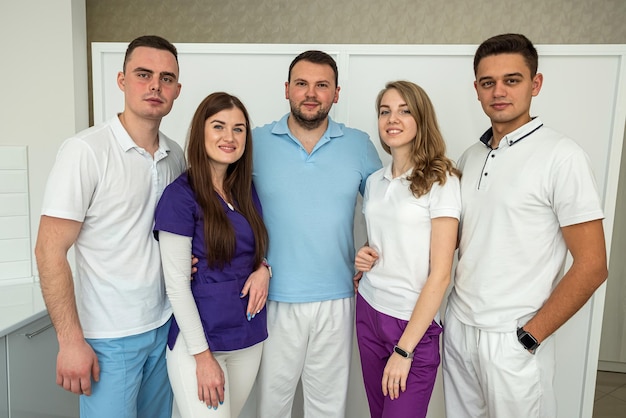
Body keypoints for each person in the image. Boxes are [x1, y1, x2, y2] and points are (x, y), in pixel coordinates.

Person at [442, 33, 608, 417]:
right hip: (460, 327)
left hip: (513, 338)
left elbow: (593, 264)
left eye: (511, 80)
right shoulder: (471, 155)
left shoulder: (562, 156)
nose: (498, 91)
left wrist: (530, 336)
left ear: (535, 84)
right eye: (488, 83)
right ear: (477, 90)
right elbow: (450, 241)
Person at [34, 35, 184, 418]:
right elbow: (49, 250)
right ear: (121, 80)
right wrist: (70, 342)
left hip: (165, 324)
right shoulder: (86, 151)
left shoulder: (175, 155)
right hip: (108, 337)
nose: (155, 85)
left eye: (166, 78)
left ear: (177, 90)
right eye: (143, 74)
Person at [252, 50, 382, 417]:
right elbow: (223, 204)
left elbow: (388, 207)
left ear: (336, 93)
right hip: (272, 297)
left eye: (322, 85)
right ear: (287, 90)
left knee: (327, 408)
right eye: (302, 84)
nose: (311, 93)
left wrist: (373, 250)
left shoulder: (358, 145)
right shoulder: (255, 142)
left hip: (337, 298)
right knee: (271, 407)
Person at [153, 92, 270, 418]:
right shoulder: (180, 196)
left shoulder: (247, 191)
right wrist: (202, 357)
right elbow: (176, 286)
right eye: (218, 126)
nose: (229, 137)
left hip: (248, 337)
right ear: (201, 132)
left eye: (238, 129)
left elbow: (254, 251)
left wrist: (265, 268)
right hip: (201, 344)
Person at [354, 80, 461, 418]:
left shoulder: (441, 180)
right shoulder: (374, 181)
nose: (392, 119)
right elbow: (388, 242)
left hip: (412, 323)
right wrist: (365, 256)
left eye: (404, 110)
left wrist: (404, 350)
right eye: (385, 111)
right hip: (369, 310)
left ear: (421, 119)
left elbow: (441, 274)